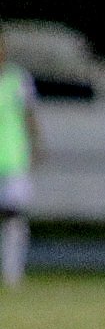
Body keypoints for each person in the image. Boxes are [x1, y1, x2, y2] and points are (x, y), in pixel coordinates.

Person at [0, 35, 41, 288]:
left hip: (13, 158)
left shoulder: (18, 79)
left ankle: (12, 274)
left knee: (13, 218)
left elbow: (29, 116)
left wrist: (36, 145)